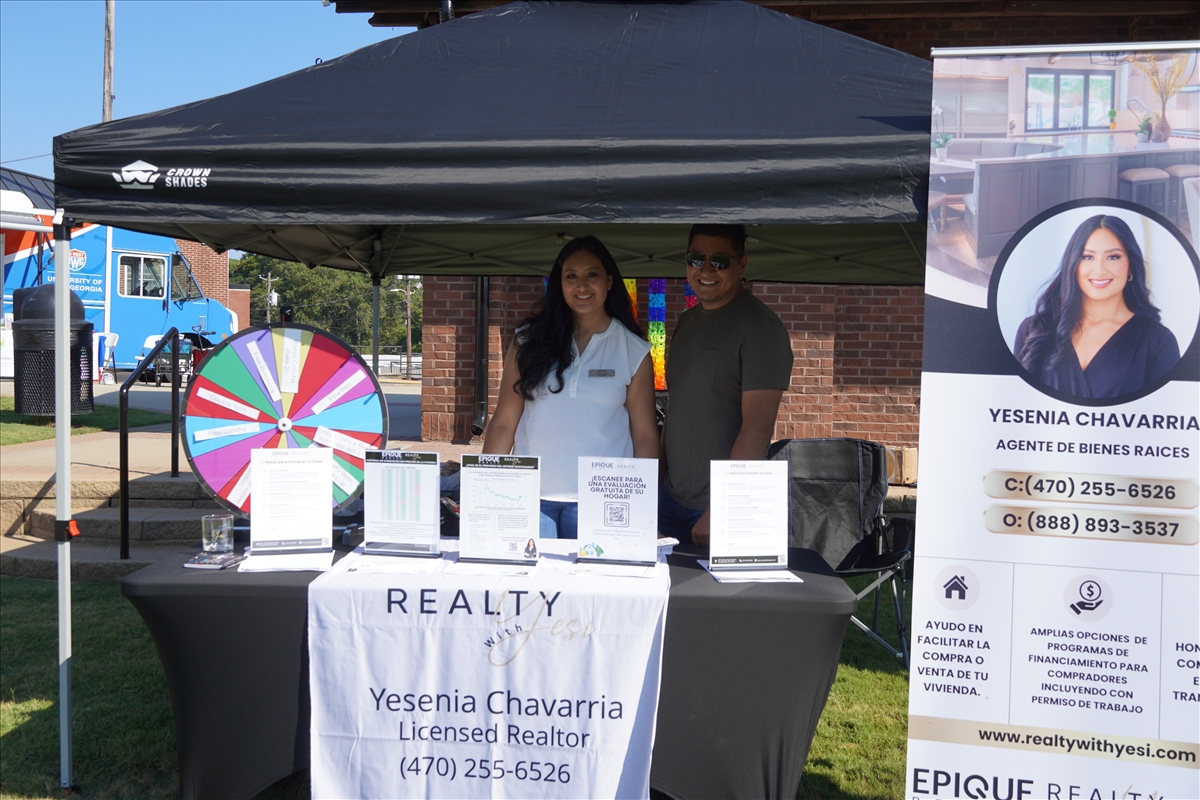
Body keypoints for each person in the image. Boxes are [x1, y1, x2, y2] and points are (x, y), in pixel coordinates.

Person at [483, 236, 658, 539]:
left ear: (609, 281)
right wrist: (485, 493)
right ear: (559, 284)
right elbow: (503, 424)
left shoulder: (634, 350)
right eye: (571, 276)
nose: (581, 286)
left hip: (603, 501)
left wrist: (644, 508)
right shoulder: (527, 341)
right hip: (530, 497)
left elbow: (645, 437)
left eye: (592, 275)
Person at [659, 224, 794, 547]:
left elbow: (757, 428)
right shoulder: (686, 321)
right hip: (668, 501)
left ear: (742, 264)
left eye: (719, 261)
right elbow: (674, 411)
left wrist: (723, 506)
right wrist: (653, 489)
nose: (706, 270)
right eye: (696, 259)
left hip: (717, 510)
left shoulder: (761, 328)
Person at [1014, 215, 1180, 399]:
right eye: (1087, 257)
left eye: (1113, 257)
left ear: (1131, 265)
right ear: (1073, 264)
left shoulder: (1159, 342)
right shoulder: (1033, 331)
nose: (1100, 270)